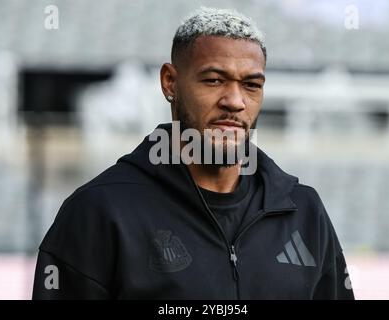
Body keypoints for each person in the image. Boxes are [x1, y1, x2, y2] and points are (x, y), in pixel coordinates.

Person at [32, 7, 354, 300]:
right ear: (170, 82)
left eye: (251, 85)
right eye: (214, 80)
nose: (235, 101)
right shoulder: (98, 213)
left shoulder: (304, 212)